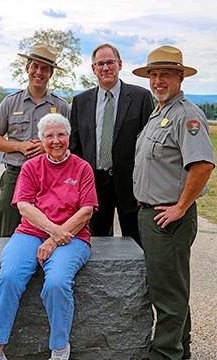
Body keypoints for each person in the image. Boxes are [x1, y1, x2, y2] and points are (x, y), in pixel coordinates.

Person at [0, 113, 98, 360]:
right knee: (9, 278)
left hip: (73, 236)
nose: (56, 140)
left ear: (69, 137)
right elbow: (24, 206)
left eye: (61, 135)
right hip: (31, 232)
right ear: (41, 139)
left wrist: (55, 238)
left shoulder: (82, 168)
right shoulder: (30, 167)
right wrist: (52, 231)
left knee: (57, 283)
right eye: (49, 136)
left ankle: (59, 349)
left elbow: (86, 211)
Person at [132, 45, 215, 360]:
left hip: (168, 218)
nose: (158, 80)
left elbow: (203, 165)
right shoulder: (160, 112)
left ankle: (166, 354)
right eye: (153, 74)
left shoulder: (186, 115)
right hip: (151, 214)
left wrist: (180, 207)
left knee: (167, 294)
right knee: (170, 288)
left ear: (181, 76)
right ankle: (182, 348)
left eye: (165, 73)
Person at [69, 43, 154, 246]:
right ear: (93, 69)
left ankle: (137, 279)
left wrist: (145, 185)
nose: (105, 68)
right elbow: (75, 146)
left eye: (110, 62)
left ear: (120, 64)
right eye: (100, 64)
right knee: (97, 242)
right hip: (94, 183)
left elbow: (148, 146)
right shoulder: (80, 101)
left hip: (130, 183)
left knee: (135, 242)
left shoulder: (140, 97)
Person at [0, 43, 70, 237]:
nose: (39, 72)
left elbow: (71, 143)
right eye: (35, 66)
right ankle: (7, 266)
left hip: (50, 178)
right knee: (8, 229)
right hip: (15, 175)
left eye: (45, 69)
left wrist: (49, 146)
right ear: (27, 68)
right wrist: (19, 146)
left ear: (51, 74)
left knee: (48, 231)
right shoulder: (10, 102)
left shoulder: (61, 106)